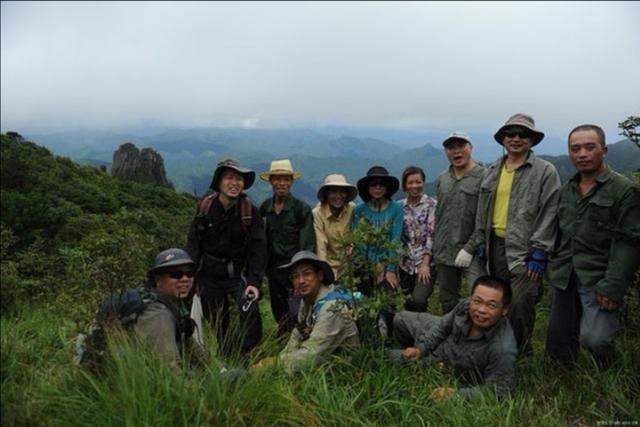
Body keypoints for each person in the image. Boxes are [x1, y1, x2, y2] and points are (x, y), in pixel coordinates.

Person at [545, 124, 640, 369]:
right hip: (564, 273)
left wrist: (613, 286)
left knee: (595, 339)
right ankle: (563, 381)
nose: (582, 154)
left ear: (604, 150)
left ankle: (610, 375)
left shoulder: (624, 190)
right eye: (575, 149)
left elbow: (628, 242)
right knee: (559, 340)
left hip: (598, 276)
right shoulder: (567, 190)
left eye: (590, 147)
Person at [467, 113, 560, 355]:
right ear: (503, 139)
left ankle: (518, 352)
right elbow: (482, 209)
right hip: (493, 245)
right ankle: (492, 348)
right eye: (511, 134)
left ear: (531, 140)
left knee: (520, 304)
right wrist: (479, 240)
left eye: (523, 134)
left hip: (526, 251)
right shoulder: (493, 169)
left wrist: (540, 250)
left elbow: (550, 211)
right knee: (494, 301)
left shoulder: (544, 171)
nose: (516, 138)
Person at [389, 276, 517, 401]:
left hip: (444, 360)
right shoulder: (466, 305)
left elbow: (499, 391)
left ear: (504, 310)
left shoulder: (502, 349)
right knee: (400, 318)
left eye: (491, 305)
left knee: (389, 357)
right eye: (477, 301)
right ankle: (407, 343)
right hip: (444, 339)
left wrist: (456, 394)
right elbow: (443, 326)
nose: (481, 310)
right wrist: (421, 349)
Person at [186, 159, 266, 357]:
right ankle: (227, 356)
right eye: (229, 178)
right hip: (210, 275)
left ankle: (247, 353)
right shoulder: (205, 208)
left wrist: (254, 282)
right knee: (218, 321)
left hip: (238, 275)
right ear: (219, 182)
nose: (235, 183)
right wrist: (190, 277)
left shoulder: (249, 211)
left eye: (239, 179)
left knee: (250, 314)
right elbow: (194, 244)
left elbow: (258, 248)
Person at [75, 248, 202, 372]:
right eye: (176, 274)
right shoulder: (157, 314)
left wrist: (220, 371)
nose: (185, 279)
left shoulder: (173, 305)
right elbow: (169, 366)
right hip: (121, 377)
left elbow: (190, 345)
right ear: (158, 280)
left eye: (189, 273)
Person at [251, 251, 360, 373]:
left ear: (320, 275)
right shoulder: (307, 300)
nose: (301, 281)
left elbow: (311, 355)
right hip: (324, 361)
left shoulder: (332, 308)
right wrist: (280, 358)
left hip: (344, 372)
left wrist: (272, 365)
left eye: (307, 274)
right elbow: (298, 333)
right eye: (295, 276)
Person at [259, 159, 316, 335]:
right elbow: (261, 240)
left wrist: (302, 275)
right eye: (277, 179)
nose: (281, 183)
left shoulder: (301, 209)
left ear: (291, 182)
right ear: (271, 181)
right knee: (278, 310)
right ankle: (284, 342)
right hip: (273, 270)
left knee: (296, 311)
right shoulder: (265, 208)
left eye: (286, 179)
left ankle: (300, 341)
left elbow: (307, 245)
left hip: (293, 270)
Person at [432, 132, 486, 314]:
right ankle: (452, 337)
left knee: (479, 297)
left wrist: (470, 248)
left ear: (470, 147)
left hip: (472, 251)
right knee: (447, 299)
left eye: (461, 146)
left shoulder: (484, 177)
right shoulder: (443, 179)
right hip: (444, 249)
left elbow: (485, 219)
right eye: (450, 147)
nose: (456, 151)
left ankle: (478, 338)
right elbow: (439, 215)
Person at [352, 165, 404, 292]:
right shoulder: (359, 210)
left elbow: (395, 240)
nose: (378, 188)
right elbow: (358, 241)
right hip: (364, 264)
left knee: (388, 297)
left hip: (388, 263)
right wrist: (374, 265)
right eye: (373, 184)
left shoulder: (396, 208)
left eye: (382, 184)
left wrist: (390, 269)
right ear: (368, 188)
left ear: (387, 188)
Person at [398, 166, 437, 312]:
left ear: (423, 183)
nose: (415, 186)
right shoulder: (399, 207)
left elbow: (431, 234)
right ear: (405, 186)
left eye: (418, 182)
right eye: (410, 183)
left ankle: (422, 331)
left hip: (425, 261)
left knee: (419, 300)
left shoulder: (432, 205)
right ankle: (408, 333)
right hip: (405, 263)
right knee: (406, 301)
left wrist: (425, 264)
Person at [312, 173, 357, 280]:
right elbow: (321, 245)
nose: (338, 196)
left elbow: (355, 235)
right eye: (333, 192)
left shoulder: (352, 209)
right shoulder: (318, 213)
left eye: (342, 192)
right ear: (326, 194)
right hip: (329, 267)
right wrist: (323, 272)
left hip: (350, 267)